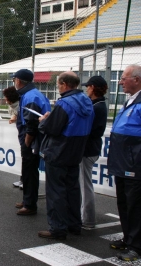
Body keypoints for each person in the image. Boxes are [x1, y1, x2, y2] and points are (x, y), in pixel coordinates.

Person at [38, 71, 94, 240]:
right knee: (72, 188)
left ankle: (57, 228)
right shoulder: (87, 101)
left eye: (58, 84)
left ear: (64, 84)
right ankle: (74, 224)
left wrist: (44, 121)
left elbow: (52, 128)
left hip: (59, 149)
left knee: (56, 191)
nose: (58, 87)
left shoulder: (65, 103)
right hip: (77, 149)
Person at [108, 64, 141, 262]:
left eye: (123, 78)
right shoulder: (131, 100)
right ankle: (129, 238)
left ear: (136, 80)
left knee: (135, 205)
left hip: (135, 164)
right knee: (124, 203)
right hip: (123, 163)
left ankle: (136, 245)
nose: (120, 82)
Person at [13, 69, 51, 216]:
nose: (14, 82)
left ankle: (30, 204)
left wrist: (27, 143)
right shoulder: (31, 94)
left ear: (19, 81)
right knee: (28, 171)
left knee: (30, 171)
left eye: (15, 79)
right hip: (33, 137)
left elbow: (31, 123)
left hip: (32, 139)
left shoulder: (30, 96)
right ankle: (27, 199)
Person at [79, 76, 108, 229]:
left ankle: (88, 219)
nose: (86, 89)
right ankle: (84, 216)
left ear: (94, 88)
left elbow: (90, 130)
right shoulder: (97, 104)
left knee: (85, 185)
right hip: (91, 149)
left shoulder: (97, 107)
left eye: (88, 87)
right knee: (83, 183)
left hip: (88, 150)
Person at [3, 86, 22, 188]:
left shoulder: (20, 105)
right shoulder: (13, 106)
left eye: (6, 98)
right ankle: (23, 179)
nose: (5, 100)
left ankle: (25, 180)